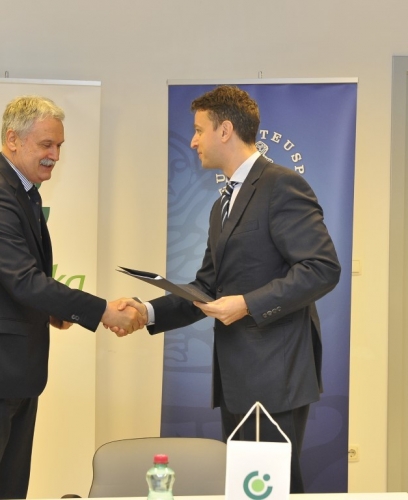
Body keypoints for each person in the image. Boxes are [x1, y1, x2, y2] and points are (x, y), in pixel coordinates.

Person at [119, 85, 341, 492]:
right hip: (237, 378)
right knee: (246, 490)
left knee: (272, 490)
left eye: (198, 130)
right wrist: (146, 312)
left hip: (277, 376)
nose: (193, 141)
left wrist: (248, 304)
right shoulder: (222, 204)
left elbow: (322, 268)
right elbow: (206, 288)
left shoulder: (281, 185)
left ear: (225, 130)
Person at [0, 95, 140, 499]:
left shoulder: (24, 190)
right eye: (46, 144)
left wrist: (51, 311)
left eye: (59, 145)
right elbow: (23, 280)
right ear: (13, 139)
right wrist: (101, 311)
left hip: (17, 375)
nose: (55, 155)